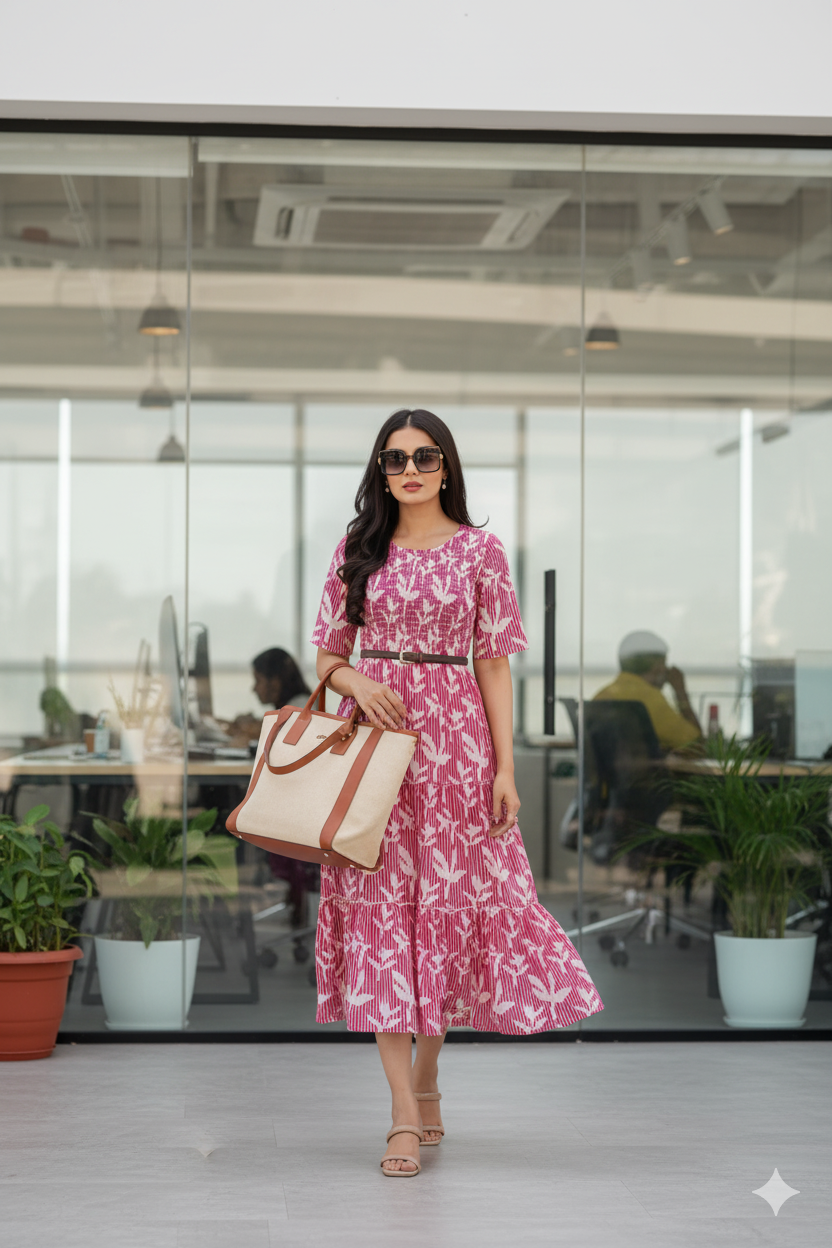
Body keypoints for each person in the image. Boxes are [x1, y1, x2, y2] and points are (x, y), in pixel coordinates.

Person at [311, 407, 603, 1179]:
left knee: (443, 914)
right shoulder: (357, 550)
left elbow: (496, 664)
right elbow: (325, 658)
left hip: (454, 751)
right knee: (381, 919)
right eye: (395, 458)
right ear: (380, 470)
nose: (410, 469)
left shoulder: (480, 550)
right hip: (373, 750)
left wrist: (505, 768)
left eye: (426, 456)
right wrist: (359, 680)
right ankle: (403, 1113)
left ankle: (429, 1074)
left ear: (447, 467)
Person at [594, 630, 701, 752]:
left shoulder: (601, 696)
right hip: (645, 771)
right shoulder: (651, 699)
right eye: (664, 663)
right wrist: (680, 692)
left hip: (606, 771)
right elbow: (696, 744)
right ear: (658, 667)